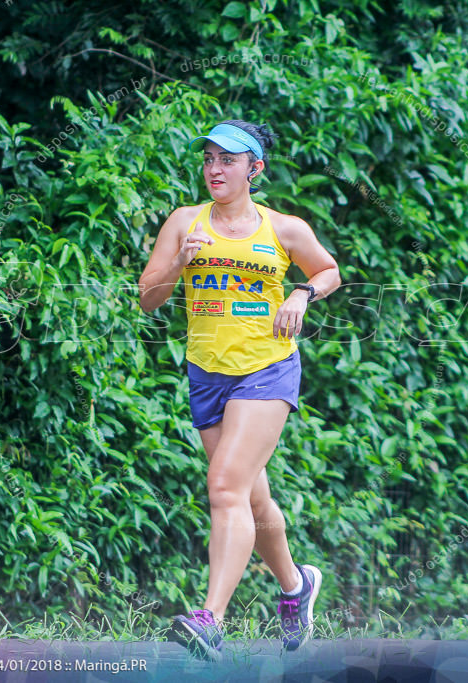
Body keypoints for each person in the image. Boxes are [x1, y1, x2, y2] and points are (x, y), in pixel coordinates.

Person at [137, 120, 341, 661]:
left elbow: (329, 271)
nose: (214, 169)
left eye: (227, 160)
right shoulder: (184, 222)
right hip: (207, 372)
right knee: (252, 496)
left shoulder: (283, 228)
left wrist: (300, 293)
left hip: (268, 368)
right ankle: (297, 587)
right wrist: (181, 261)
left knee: (225, 485)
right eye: (208, 158)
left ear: (254, 169)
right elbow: (147, 298)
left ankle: (211, 619)